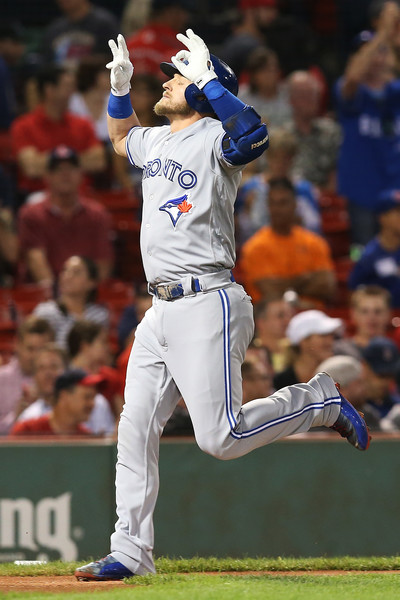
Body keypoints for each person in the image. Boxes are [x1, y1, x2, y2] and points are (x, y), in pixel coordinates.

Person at [74, 29, 369, 582]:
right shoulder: (159, 139)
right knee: (135, 426)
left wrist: (210, 82)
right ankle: (130, 552)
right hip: (160, 309)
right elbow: (120, 140)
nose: (166, 80)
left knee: (220, 438)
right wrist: (119, 90)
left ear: (207, 89)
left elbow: (253, 138)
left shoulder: (216, 135)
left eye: (178, 76)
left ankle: (320, 402)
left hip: (208, 298)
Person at [335, 2, 400, 246]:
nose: (375, 57)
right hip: (361, 191)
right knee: (361, 254)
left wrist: (392, 38)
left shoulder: (395, 92)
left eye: (379, 52)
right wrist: (382, 32)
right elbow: (352, 77)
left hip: (395, 189)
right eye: (367, 52)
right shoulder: (350, 92)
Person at [18, 146, 114, 287]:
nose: (65, 174)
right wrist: (60, 298)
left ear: (81, 175)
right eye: (58, 169)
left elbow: (103, 262)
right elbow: (36, 260)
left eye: (71, 168)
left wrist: (88, 293)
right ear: (47, 176)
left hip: (87, 295)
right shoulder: (32, 214)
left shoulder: (97, 215)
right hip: (45, 295)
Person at [10, 64, 106, 199]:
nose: (73, 92)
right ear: (49, 90)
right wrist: (77, 161)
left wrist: (48, 161)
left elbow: (98, 161)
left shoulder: (83, 124)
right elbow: (31, 168)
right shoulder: (23, 126)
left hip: (82, 196)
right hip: (40, 196)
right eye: (67, 86)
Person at [239, 176, 336, 305]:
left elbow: (328, 288)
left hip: (313, 317)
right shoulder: (255, 246)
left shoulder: (314, 242)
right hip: (273, 319)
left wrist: (284, 284)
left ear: (295, 204)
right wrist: (304, 279)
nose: (277, 209)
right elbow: (269, 291)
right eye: (273, 203)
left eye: (283, 202)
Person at [237, 128, 321, 245]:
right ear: (268, 157)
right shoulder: (251, 188)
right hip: (259, 250)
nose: (280, 164)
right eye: (275, 157)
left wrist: (298, 221)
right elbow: (242, 232)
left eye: (286, 158)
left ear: (292, 159)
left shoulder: (304, 189)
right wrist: (246, 211)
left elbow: (315, 230)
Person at [32, 255, 110, 349]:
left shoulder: (99, 315)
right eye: (65, 270)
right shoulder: (45, 312)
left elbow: (98, 350)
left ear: (91, 282)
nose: (67, 276)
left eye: (76, 272)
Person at [285, 70, 341, 191]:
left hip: (324, 201)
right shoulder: (281, 136)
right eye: (304, 95)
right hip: (286, 197)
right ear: (291, 99)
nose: (311, 99)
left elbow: (338, 175)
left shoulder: (332, 132)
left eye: (314, 94)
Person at [0, 315, 54, 434]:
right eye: (30, 349)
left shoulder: (57, 380)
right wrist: (16, 415)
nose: (35, 356)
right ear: (17, 345)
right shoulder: (1, 379)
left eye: (41, 350)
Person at [10, 368, 102, 436]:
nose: (92, 404)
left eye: (93, 398)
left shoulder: (87, 439)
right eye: (87, 397)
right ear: (64, 396)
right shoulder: (27, 432)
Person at [348, 190, 400, 307]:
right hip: (383, 320)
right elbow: (353, 294)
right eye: (397, 212)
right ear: (382, 217)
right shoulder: (368, 255)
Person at [67, 319, 124, 419]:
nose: (108, 347)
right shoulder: (63, 378)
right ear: (85, 346)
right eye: (103, 342)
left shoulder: (111, 377)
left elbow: (123, 416)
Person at [273, 309, 343, 389]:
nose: (330, 342)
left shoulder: (338, 377)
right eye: (323, 336)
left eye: (331, 336)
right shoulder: (281, 381)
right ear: (304, 341)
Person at [39, 0, 119, 66]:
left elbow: (115, 58)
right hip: (61, 81)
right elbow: (47, 63)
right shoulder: (53, 30)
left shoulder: (104, 24)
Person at [126, 0, 191, 80]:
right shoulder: (178, 44)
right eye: (182, 12)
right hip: (164, 90)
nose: (185, 17)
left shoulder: (131, 41)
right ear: (169, 12)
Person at [238, 47, 292, 130]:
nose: (270, 75)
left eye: (273, 69)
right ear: (253, 75)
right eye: (264, 70)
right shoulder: (242, 97)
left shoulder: (289, 93)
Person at [252, 294, 293, 372]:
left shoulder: (297, 350)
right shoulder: (250, 354)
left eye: (290, 315)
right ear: (261, 322)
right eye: (280, 316)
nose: (288, 320)